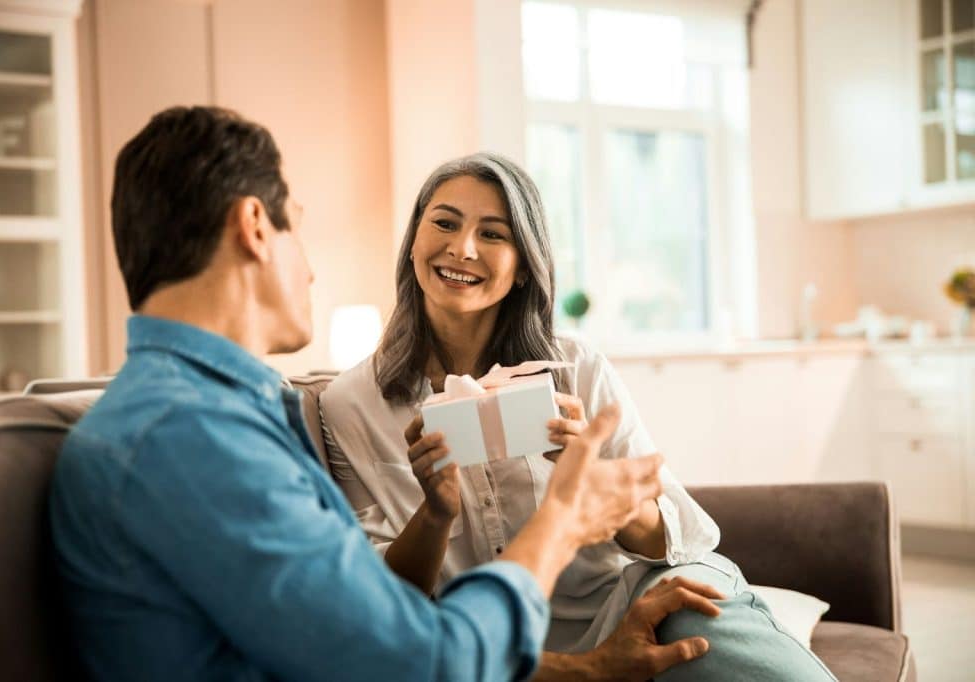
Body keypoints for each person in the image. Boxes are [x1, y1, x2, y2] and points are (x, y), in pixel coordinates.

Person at [49, 106, 727, 682]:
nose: (311, 270)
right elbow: (424, 661)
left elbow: (384, 628)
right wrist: (563, 522)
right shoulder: (190, 438)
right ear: (256, 227)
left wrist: (591, 666)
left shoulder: (224, 417)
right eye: (296, 228)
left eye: (493, 233)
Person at [319, 152, 838, 680]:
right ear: (413, 241)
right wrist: (434, 513)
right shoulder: (351, 403)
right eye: (445, 223)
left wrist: (593, 484)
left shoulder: (576, 368)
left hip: (632, 602)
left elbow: (670, 539)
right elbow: (387, 600)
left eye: (493, 234)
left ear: (523, 267)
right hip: (499, 652)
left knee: (698, 605)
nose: (463, 248)